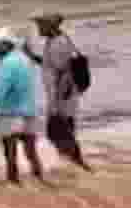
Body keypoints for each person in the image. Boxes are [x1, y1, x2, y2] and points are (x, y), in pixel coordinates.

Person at [23, 11, 93, 172]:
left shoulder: (58, 43)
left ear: (50, 26)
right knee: (59, 133)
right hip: (59, 97)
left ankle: (80, 165)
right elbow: (51, 66)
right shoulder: (53, 40)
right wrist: (32, 56)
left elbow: (65, 74)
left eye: (41, 25)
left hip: (62, 98)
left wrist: (57, 103)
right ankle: (74, 163)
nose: (38, 28)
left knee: (61, 132)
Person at [0, 28, 44, 184]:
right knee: (31, 153)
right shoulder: (25, 60)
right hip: (30, 113)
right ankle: (41, 181)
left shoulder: (7, 63)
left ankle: (14, 184)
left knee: (10, 154)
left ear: (6, 45)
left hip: (11, 115)